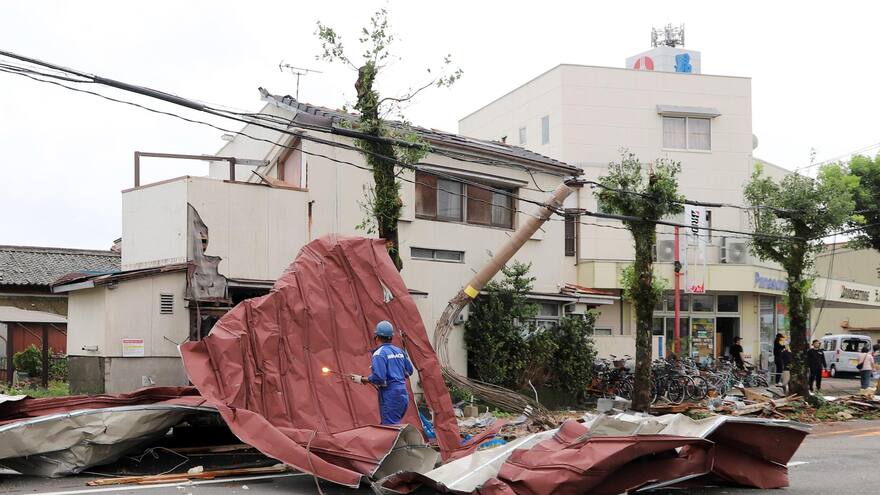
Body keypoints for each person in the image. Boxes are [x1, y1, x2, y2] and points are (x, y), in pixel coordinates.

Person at [351, 320, 414, 425]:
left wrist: (362, 379)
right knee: (395, 425)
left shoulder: (379, 354)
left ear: (376, 337)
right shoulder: (399, 351)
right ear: (391, 337)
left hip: (390, 397)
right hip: (403, 395)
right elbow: (409, 371)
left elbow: (379, 378)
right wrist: (396, 373)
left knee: (389, 429)